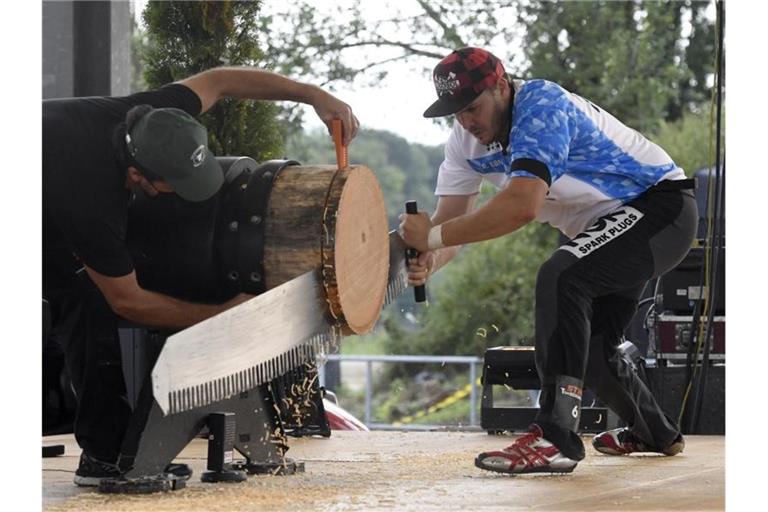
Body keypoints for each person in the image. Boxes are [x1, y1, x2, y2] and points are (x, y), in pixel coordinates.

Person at [43, 67, 359, 486]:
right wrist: (219, 312)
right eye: (177, 185)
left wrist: (312, 94)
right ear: (138, 177)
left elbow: (222, 80)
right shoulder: (90, 199)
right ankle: (104, 456)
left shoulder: (161, 116)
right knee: (86, 300)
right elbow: (128, 300)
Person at [399, 47, 696, 475]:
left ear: (501, 86)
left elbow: (520, 207)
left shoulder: (540, 105)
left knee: (561, 276)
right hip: (609, 225)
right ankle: (656, 432)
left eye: (473, 108)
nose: (467, 122)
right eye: (456, 113)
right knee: (592, 347)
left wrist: (429, 236)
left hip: (658, 208)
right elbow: (452, 224)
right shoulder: (463, 144)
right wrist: (431, 258)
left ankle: (554, 438)